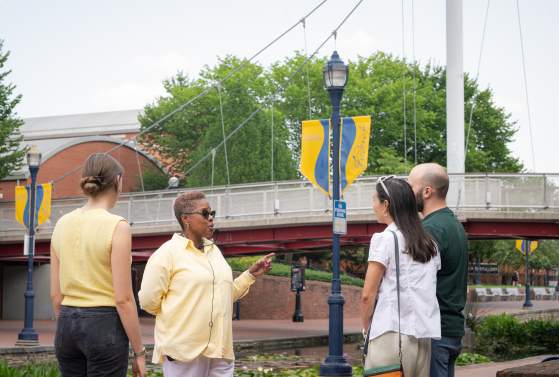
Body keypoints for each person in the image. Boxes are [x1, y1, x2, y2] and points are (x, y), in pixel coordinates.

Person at [139, 191, 274, 377]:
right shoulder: (166, 254)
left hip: (219, 349)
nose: (211, 218)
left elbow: (224, 294)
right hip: (184, 352)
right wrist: (180, 314)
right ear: (186, 218)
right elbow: (148, 302)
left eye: (213, 213)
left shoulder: (214, 251)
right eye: (205, 213)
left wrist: (250, 274)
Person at [50, 153, 146, 377]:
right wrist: (139, 352)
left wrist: (68, 325)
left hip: (66, 324)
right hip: (104, 326)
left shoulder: (62, 224)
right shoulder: (117, 226)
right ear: (118, 181)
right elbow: (123, 299)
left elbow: (56, 295)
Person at [361, 176, 441, 377]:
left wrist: (365, 329)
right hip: (424, 337)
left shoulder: (385, 239)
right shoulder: (430, 243)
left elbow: (367, 295)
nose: (373, 205)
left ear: (386, 204)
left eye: (374, 200)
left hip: (390, 333)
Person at [408, 163, 469, 377]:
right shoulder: (453, 224)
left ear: (427, 191)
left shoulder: (431, 229)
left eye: (410, 185)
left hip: (435, 332)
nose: (407, 191)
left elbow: (418, 283)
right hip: (452, 329)